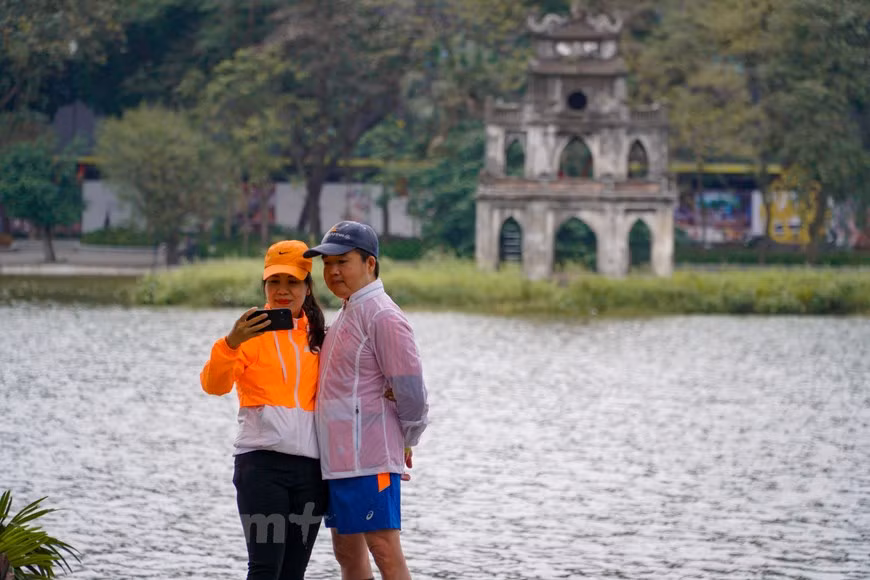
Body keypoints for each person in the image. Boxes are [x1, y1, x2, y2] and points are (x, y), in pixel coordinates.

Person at [303, 221, 429, 580]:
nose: (333, 271)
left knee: (385, 551)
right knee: (346, 553)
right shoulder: (347, 311)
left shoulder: (383, 314)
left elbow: (413, 392)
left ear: (370, 263)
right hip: (338, 460)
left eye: (343, 261)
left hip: (371, 459)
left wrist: (407, 439)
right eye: (327, 264)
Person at [200, 240, 328, 580]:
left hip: (311, 475)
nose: (283, 291)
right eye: (275, 282)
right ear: (264, 284)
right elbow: (214, 386)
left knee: (293, 572)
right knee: (265, 568)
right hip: (261, 468)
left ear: (307, 286)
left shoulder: (321, 337)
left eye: (292, 282)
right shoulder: (247, 335)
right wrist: (230, 343)